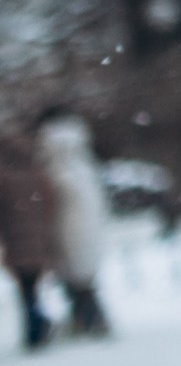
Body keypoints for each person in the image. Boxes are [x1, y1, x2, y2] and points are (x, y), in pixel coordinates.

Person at [33, 117, 107, 341]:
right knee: (83, 282)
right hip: (86, 233)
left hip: (69, 233)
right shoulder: (84, 165)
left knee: (78, 281)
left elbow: (58, 205)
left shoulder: (59, 170)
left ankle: (89, 320)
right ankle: (89, 319)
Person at [0, 129, 58, 352]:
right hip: (38, 240)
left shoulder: (4, 179)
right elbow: (49, 206)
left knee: (26, 290)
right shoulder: (37, 175)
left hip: (16, 242)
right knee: (32, 287)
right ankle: (38, 326)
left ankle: (35, 329)